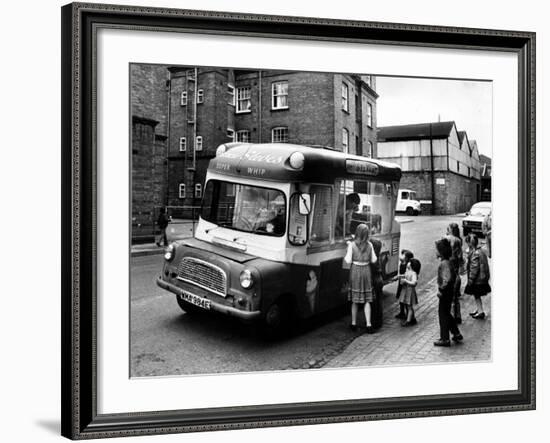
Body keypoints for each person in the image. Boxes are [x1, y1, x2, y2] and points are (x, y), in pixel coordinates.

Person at [344, 223, 377, 333]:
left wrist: (348, 248)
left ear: (357, 233)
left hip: (355, 270)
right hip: (366, 270)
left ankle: (353, 323)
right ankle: (368, 324)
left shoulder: (352, 245)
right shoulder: (370, 245)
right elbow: (374, 260)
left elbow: (348, 260)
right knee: (367, 299)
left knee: (355, 299)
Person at [434, 238, 463, 347]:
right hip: (449, 292)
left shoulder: (444, 264)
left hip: (445, 293)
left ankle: (445, 338)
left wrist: (441, 290)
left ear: (441, 251)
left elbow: (447, 279)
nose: (435, 251)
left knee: (443, 315)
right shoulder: (448, 262)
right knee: (447, 313)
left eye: (436, 250)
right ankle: (456, 333)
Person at [464, 234, 491, 319]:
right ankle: (479, 309)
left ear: (469, 243)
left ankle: (480, 311)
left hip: (477, 280)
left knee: (476, 295)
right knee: (477, 295)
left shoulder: (475, 253)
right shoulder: (481, 251)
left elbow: (474, 268)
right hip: (482, 278)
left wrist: (470, 280)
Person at [446, 222, 464, 324]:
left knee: (450, 297)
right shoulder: (458, 240)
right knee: (455, 297)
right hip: (456, 270)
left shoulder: (447, 239)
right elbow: (460, 257)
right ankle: (458, 316)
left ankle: (452, 318)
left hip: (449, 270)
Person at [399, 258, 421, 326]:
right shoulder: (408, 271)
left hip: (409, 291)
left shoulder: (413, 273)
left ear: (412, 265)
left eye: (409, 262)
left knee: (409, 306)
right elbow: (404, 275)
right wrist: (398, 277)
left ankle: (408, 321)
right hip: (406, 291)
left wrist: (406, 281)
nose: (408, 263)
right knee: (407, 305)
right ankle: (412, 318)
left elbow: (414, 283)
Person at [394, 249, 414, 320]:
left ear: (406, 258)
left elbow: (407, 274)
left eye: (403, 255)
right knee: (400, 298)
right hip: (401, 283)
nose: (401, 256)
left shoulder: (407, 265)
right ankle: (402, 312)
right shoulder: (402, 263)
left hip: (405, 284)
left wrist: (399, 277)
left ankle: (409, 315)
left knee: (405, 299)